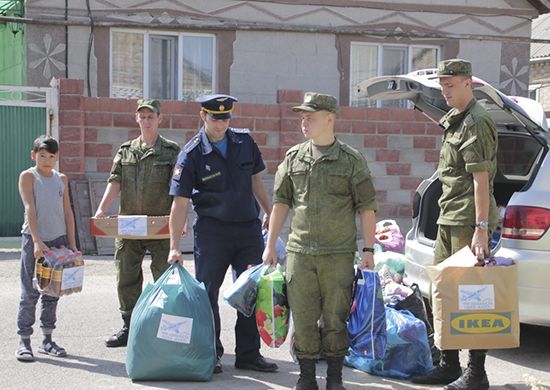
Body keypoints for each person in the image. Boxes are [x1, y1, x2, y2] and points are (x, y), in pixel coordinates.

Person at [262, 92, 378, 390]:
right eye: (302, 117)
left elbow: (366, 206)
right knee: (303, 317)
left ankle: (336, 378)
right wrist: (270, 243)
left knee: (335, 319)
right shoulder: (293, 157)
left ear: (330, 119)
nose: (304, 123)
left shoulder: (351, 160)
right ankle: (307, 377)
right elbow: (280, 203)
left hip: (337, 253)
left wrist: (368, 249)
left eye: (310, 117)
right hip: (300, 252)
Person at [167, 94, 278, 374]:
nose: (221, 123)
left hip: (247, 229)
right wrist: (174, 246)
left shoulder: (244, 142)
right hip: (212, 232)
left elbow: (256, 180)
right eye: (216, 118)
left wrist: (270, 212)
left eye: (226, 117)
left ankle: (249, 354)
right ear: (203, 116)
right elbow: (179, 204)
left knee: (250, 292)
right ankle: (211, 353)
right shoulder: (191, 154)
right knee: (207, 293)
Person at [411, 59, 498, 390]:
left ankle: (476, 373)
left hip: (467, 222)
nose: (445, 90)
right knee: (443, 293)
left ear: (468, 84)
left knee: (472, 296)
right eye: (442, 84)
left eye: (451, 84)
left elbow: (481, 180)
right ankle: (449, 365)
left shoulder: (477, 121)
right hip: (449, 219)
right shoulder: (456, 122)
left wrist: (481, 227)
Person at [94, 99, 180, 348]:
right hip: (129, 225)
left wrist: (180, 220)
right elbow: (115, 181)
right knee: (126, 275)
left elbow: (179, 190)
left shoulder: (171, 151)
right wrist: (102, 209)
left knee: (165, 277)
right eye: (142, 116)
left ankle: (166, 327)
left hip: (161, 224)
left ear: (159, 119)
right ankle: (129, 326)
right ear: (136, 119)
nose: (146, 120)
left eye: (151, 116)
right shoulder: (126, 150)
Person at [16, 135, 77, 362]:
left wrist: (71, 244)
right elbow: (30, 208)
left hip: (58, 241)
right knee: (30, 292)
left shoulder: (61, 178)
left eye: (51, 156)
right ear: (34, 156)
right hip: (34, 241)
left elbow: (68, 212)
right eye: (42, 156)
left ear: (57, 157)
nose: (47, 160)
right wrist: (36, 240)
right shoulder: (28, 176)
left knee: (52, 292)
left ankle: (47, 340)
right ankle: (24, 341)